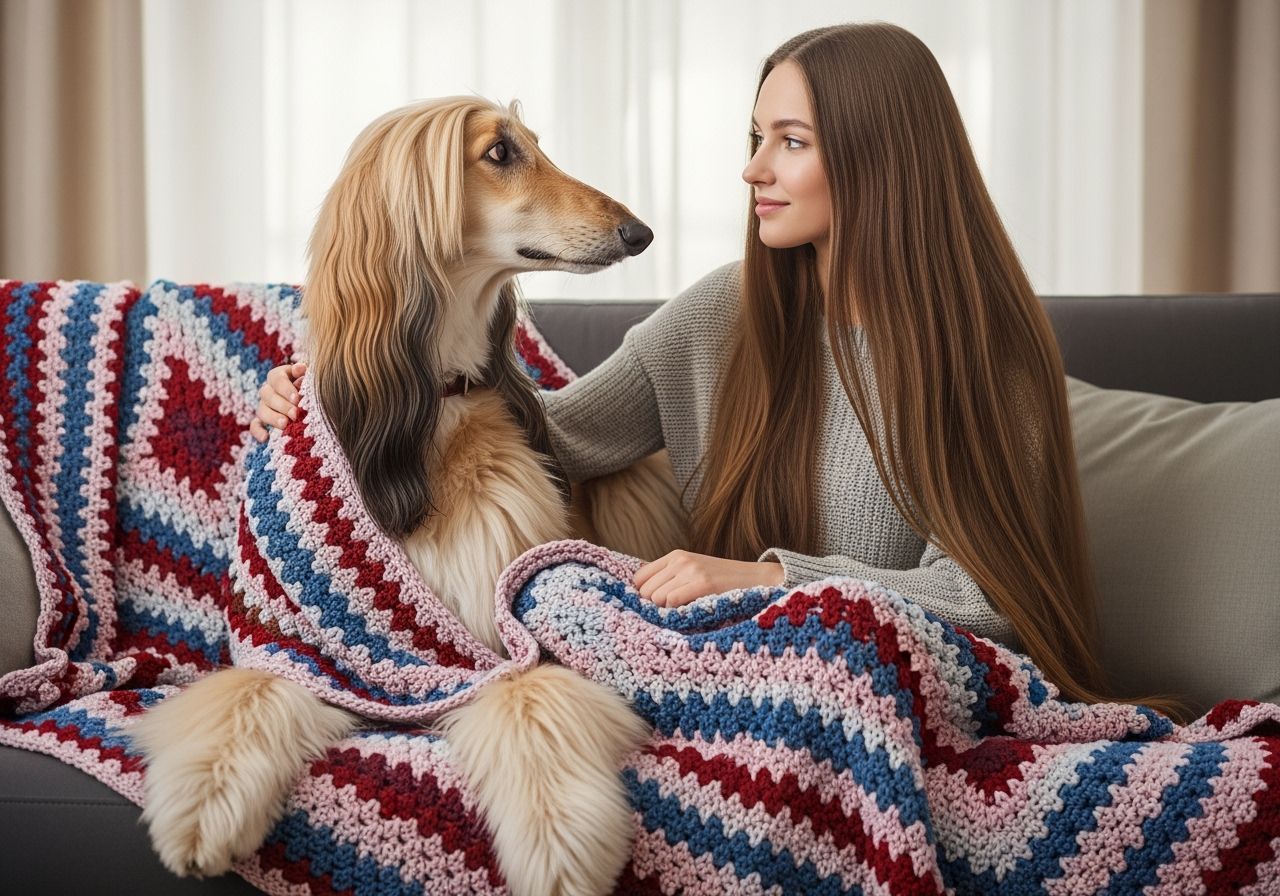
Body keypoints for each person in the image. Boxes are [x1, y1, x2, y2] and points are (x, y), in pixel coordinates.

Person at [252, 23, 1113, 708]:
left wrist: (765, 578)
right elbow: (557, 440)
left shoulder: (986, 354)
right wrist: (326, 400)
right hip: (735, 669)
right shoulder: (724, 311)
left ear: (878, 158)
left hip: (870, 674)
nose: (752, 168)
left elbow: (987, 601)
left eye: (790, 141)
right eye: (754, 136)